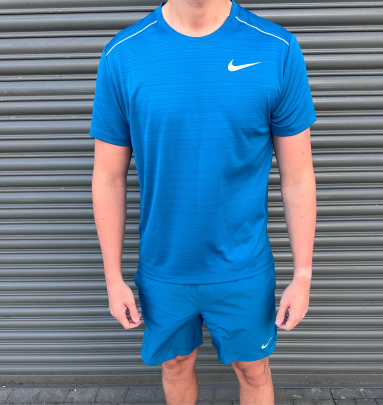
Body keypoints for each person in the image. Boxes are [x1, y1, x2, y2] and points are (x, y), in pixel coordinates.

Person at [90, 0, 316, 402]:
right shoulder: (124, 54)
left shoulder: (275, 49)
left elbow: (298, 176)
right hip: (164, 267)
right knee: (175, 365)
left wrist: (303, 274)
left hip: (243, 266)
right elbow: (108, 177)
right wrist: (112, 277)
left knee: (253, 371)